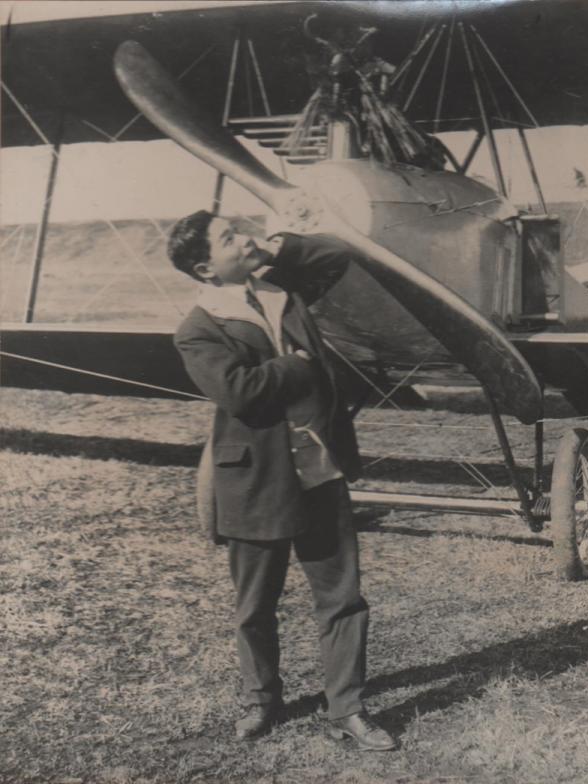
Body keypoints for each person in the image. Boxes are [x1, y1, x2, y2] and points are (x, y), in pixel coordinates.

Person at [168, 210, 395, 751]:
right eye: (229, 239)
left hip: (321, 469)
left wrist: (273, 250)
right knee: (255, 605)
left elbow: (335, 254)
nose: (244, 239)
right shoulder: (197, 329)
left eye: (240, 229)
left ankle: (348, 709)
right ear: (205, 266)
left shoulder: (281, 288)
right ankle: (262, 701)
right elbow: (242, 393)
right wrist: (298, 366)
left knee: (343, 598)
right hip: (253, 482)